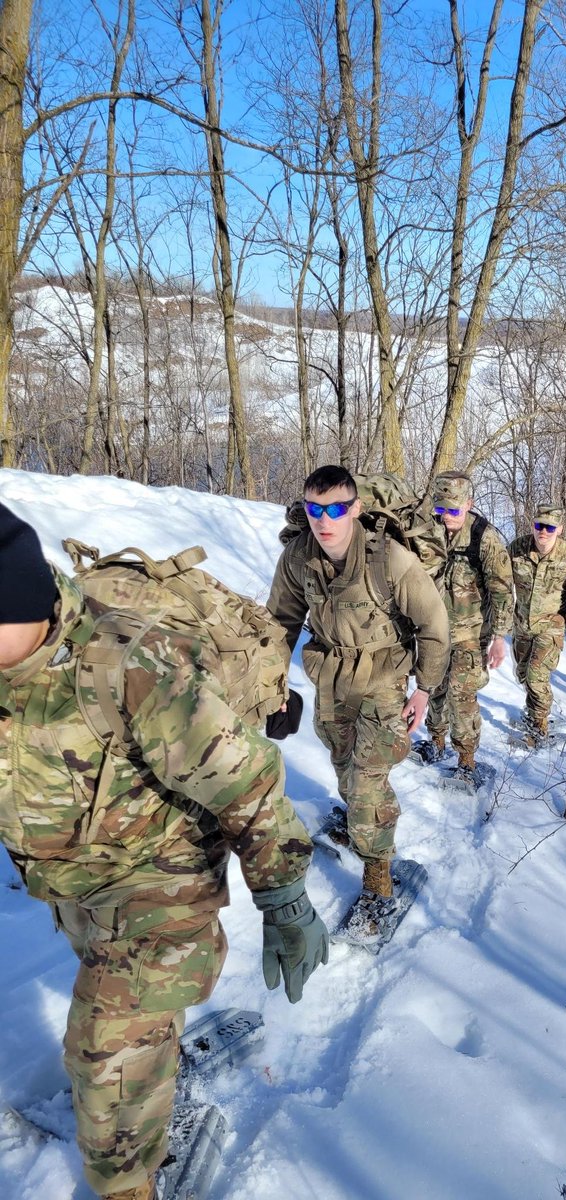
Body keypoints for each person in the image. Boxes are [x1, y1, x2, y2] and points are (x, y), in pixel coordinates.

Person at [0, 501, 327, 1200]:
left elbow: (247, 782)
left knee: (103, 1053)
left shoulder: (128, 669)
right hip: (76, 882)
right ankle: (148, 1069)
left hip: (163, 883)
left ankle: (127, 1184)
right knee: (124, 1030)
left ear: (22, 611)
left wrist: (284, 896)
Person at [267, 465, 449, 915]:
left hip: (384, 680)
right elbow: (279, 624)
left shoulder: (390, 560)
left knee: (368, 784)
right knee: (344, 767)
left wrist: (423, 690)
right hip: (330, 677)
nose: (324, 520)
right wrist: (271, 684)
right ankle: (359, 827)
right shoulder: (298, 558)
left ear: (355, 509)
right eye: (314, 509)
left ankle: (378, 880)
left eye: (336, 509)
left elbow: (434, 626)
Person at [412, 471, 513, 784]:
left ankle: (466, 760)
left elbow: (502, 590)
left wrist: (499, 638)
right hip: (433, 631)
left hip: (470, 635)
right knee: (433, 688)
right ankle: (436, 741)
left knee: (461, 694)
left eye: (453, 511)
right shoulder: (428, 532)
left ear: (469, 504)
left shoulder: (486, 538)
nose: (445, 518)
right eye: (440, 510)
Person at [507, 504, 566, 742]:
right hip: (522, 624)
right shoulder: (517, 548)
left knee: (536, 676)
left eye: (549, 527)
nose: (543, 531)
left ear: (559, 529)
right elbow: (498, 578)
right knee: (523, 673)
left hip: (551, 627)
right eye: (539, 525)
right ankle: (533, 711)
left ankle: (539, 727)